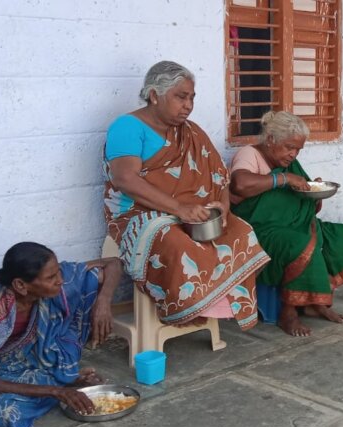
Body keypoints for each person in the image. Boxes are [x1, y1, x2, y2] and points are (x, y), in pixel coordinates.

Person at [103, 60, 269, 327]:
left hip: (190, 210)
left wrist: (223, 208)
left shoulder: (191, 132)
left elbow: (219, 177)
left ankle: (211, 307)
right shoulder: (127, 127)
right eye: (181, 97)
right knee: (177, 243)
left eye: (192, 97)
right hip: (138, 214)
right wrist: (179, 209)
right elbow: (125, 179)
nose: (189, 105)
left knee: (241, 231)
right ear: (155, 95)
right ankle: (189, 309)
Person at [229, 111, 343, 337]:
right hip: (259, 230)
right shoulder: (250, 154)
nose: (293, 154)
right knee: (301, 246)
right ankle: (288, 312)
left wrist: (310, 193)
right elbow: (240, 184)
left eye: (298, 149)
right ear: (270, 140)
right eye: (289, 147)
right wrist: (284, 179)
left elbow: (300, 201)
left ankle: (313, 302)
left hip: (290, 225)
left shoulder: (288, 161)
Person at [0, 242, 122, 427]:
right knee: (2, 412)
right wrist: (56, 391)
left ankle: (62, 381)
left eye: (59, 272)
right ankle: (65, 382)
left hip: (40, 359)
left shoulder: (58, 281)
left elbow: (113, 264)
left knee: (80, 288)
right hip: (6, 368)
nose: (60, 280)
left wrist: (103, 302)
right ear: (20, 285)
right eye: (51, 277)